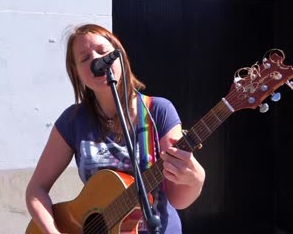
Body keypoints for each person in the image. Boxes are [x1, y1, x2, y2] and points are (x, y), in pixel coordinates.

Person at [25, 23, 206, 234]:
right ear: (77, 72)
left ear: (120, 57)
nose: (95, 59)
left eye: (103, 52)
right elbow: (36, 190)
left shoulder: (158, 111)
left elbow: (178, 199)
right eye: (84, 58)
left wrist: (195, 179)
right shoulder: (72, 121)